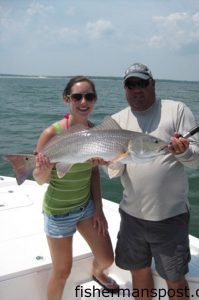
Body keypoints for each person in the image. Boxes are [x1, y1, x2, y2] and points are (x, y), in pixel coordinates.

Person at [109, 63, 199, 300]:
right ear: (125, 89)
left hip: (169, 218)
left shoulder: (176, 110)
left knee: (175, 279)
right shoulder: (116, 121)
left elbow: (196, 161)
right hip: (131, 217)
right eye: (131, 85)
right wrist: (106, 161)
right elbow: (115, 170)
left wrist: (183, 152)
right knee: (138, 272)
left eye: (142, 83)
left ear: (153, 84)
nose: (136, 89)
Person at [32, 76, 119, 300]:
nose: (83, 101)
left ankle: (97, 273)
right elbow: (39, 180)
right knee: (62, 272)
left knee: (108, 259)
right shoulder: (52, 133)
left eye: (89, 96)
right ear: (67, 99)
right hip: (58, 211)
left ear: (94, 100)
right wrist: (42, 169)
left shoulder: (97, 135)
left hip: (85, 208)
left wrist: (98, 208)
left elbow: (93, 175)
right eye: (77, 96)